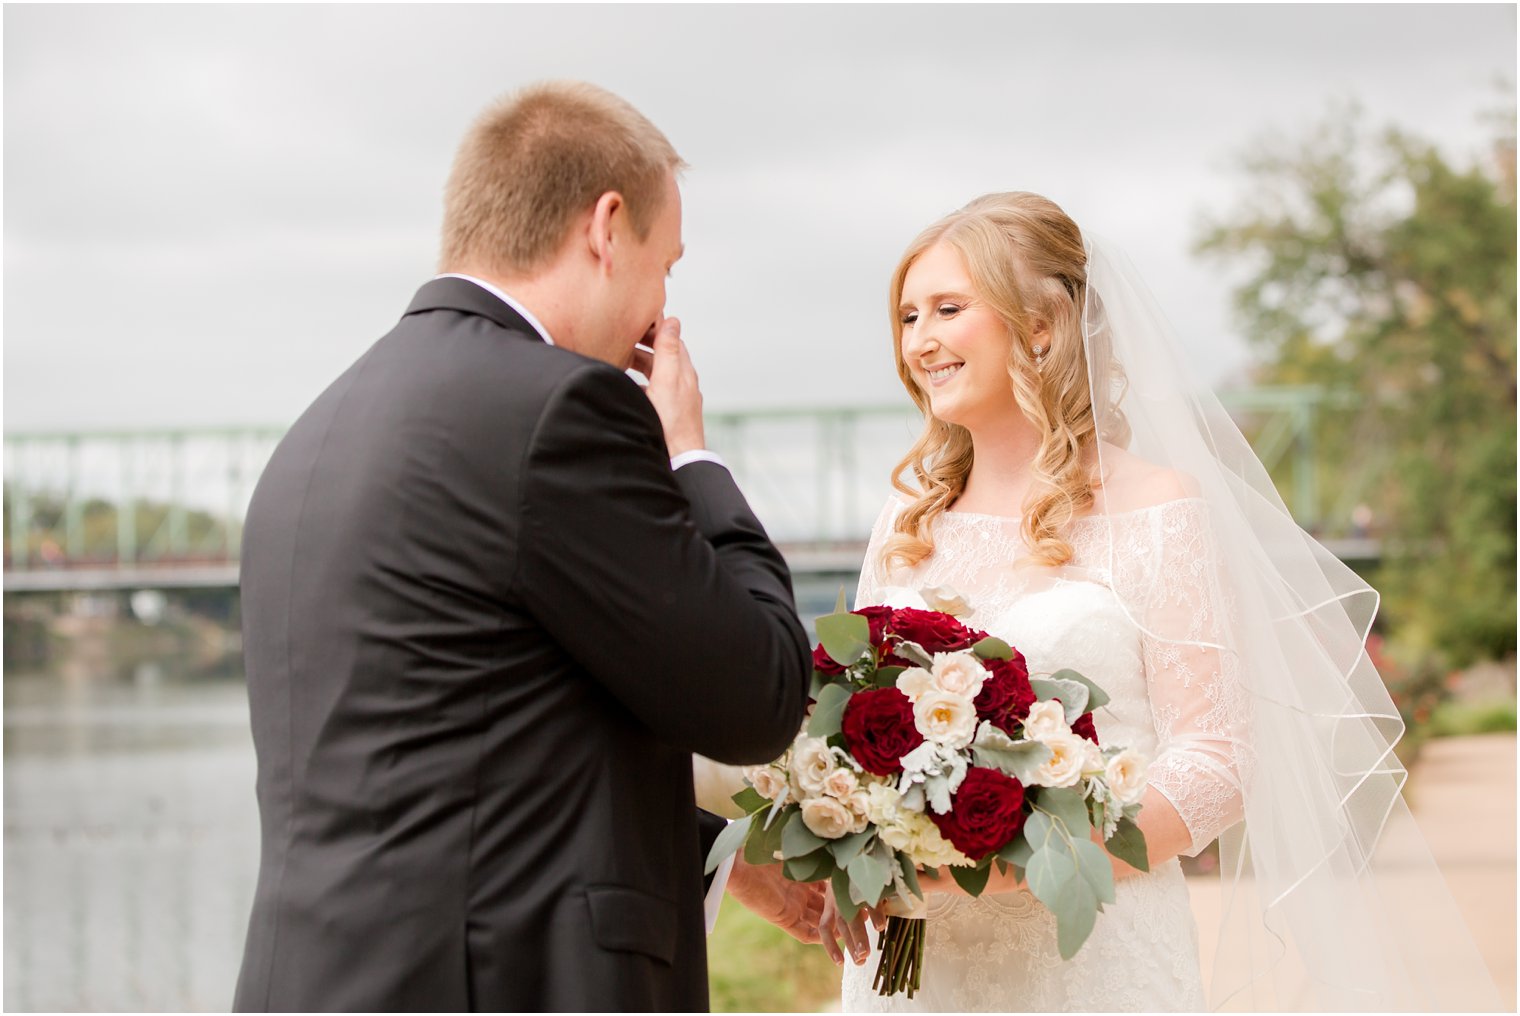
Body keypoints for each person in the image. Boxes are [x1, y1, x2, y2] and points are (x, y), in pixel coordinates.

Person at [824, 192, 1501, 1011]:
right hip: (914, 961)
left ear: (1040, 324)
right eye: (906, 316)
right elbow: (850, 723)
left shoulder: (1157, 509)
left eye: (948, 309)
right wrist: (845, 831)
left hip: (1094, 960)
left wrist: (1034, 856)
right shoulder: (906, 522)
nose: (920, 339)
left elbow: (1218, 761)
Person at [232, 81, 822, 1012]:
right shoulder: (556, 410)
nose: (661, 305)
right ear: (606, 226)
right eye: (665, 264)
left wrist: (720, 852)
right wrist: (690, 451)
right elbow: (759, 694)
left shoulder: (318, 431)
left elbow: (479, 736)